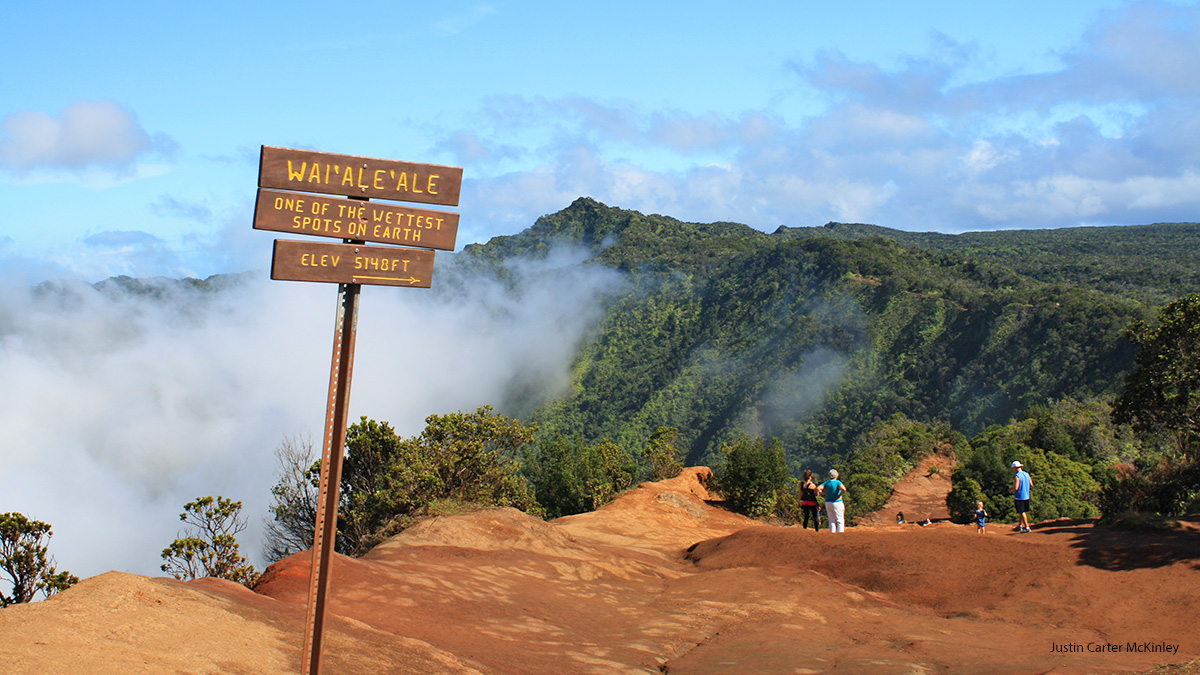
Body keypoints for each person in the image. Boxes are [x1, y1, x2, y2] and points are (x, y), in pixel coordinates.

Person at [1011, 460, 1033, 533]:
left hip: (1020, 496)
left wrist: (1010, 490)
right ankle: (1020, 525)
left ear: (1015, 468)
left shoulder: (1017, 476)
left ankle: (1027, 527)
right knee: (1021, 511)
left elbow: (1016, 488)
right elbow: (1031, 484)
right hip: (1027, 495)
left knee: (1022, 512)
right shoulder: (1027, 474)